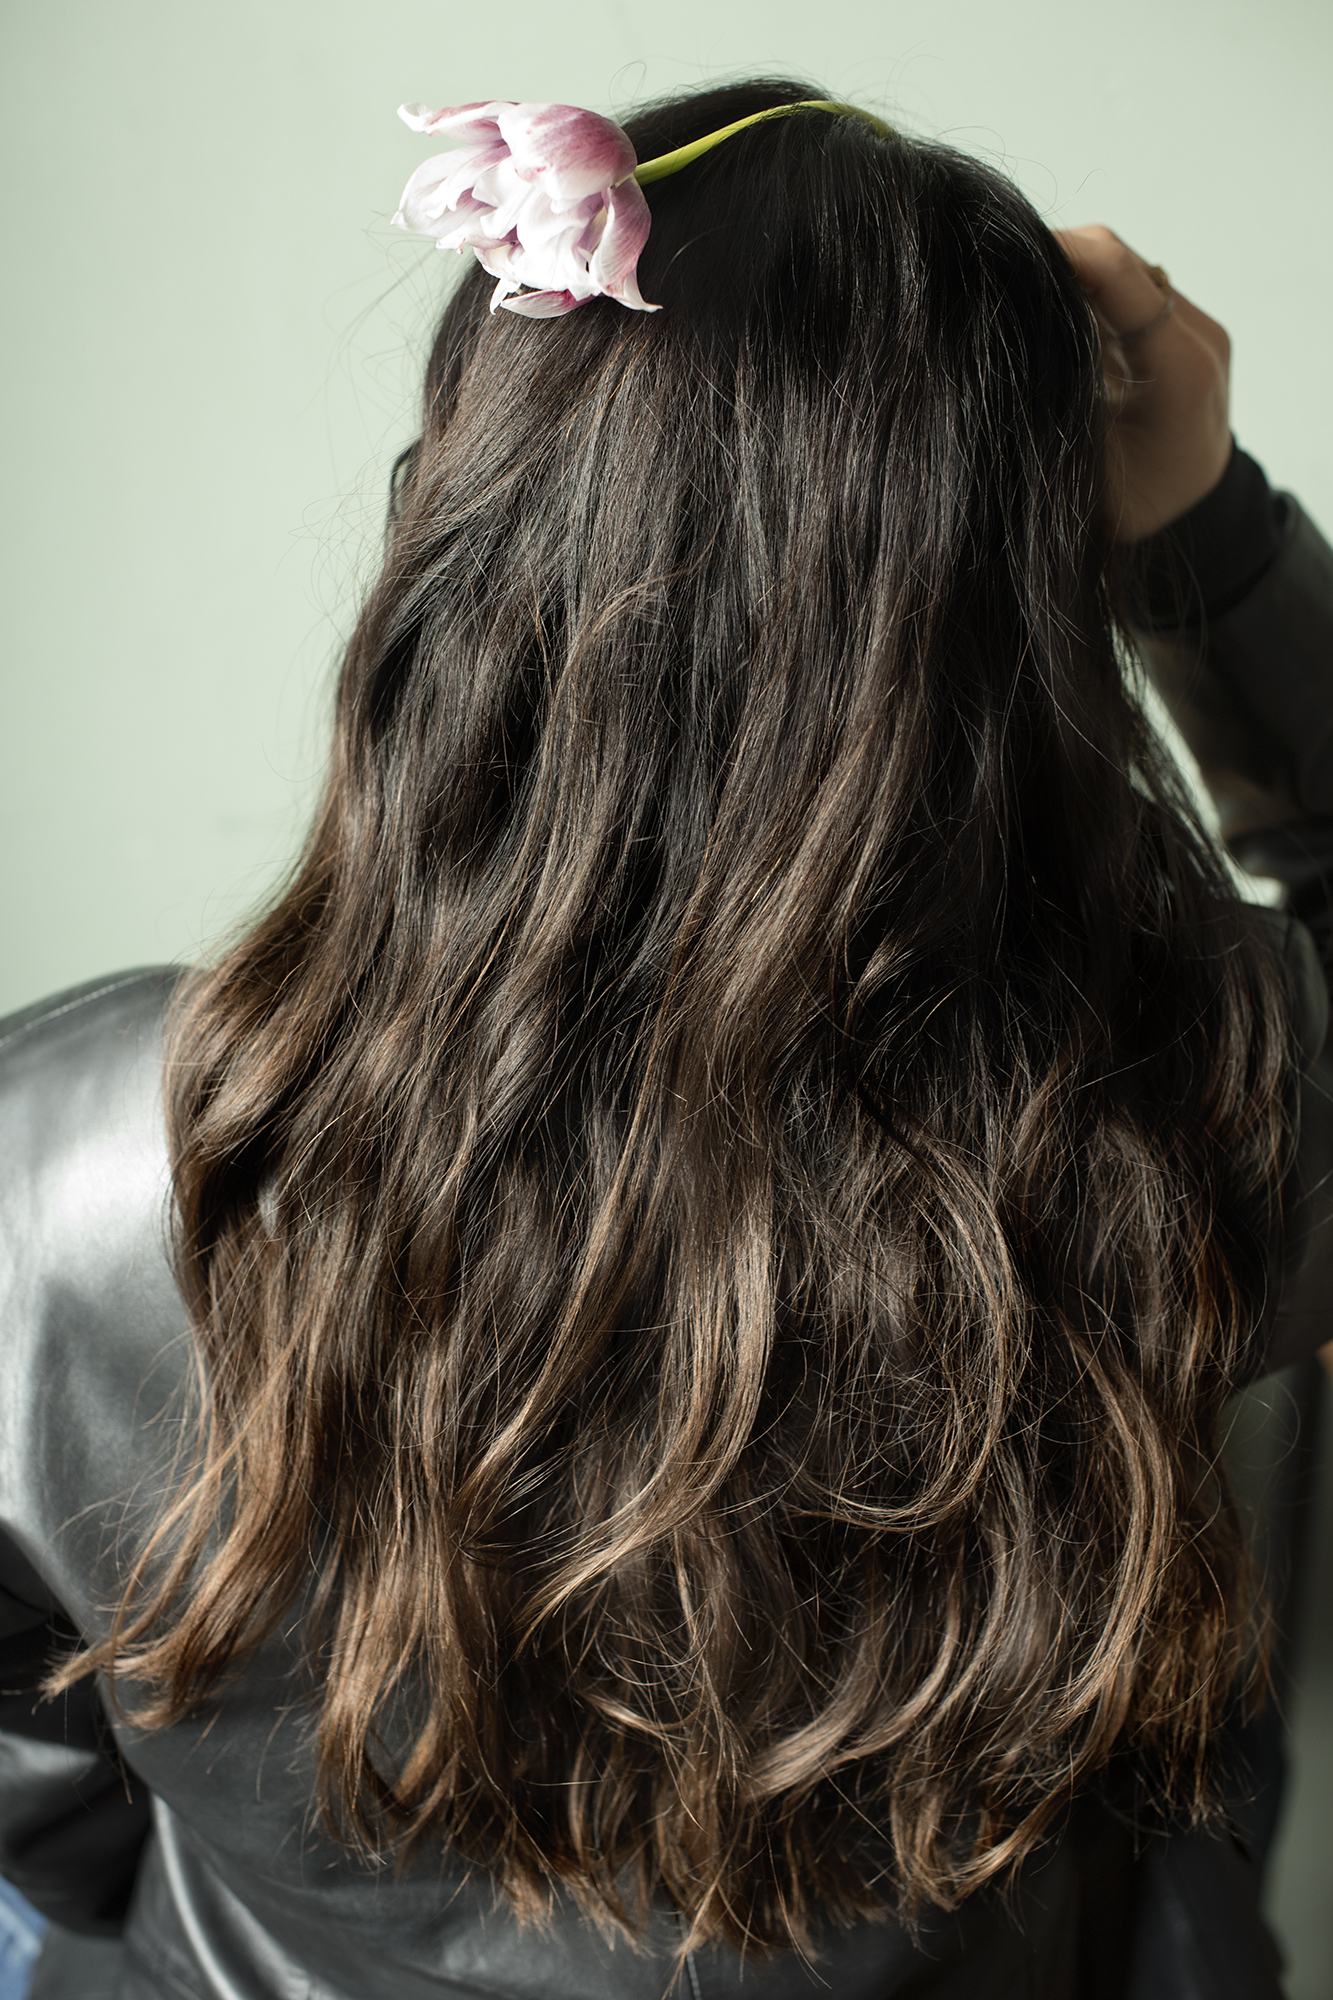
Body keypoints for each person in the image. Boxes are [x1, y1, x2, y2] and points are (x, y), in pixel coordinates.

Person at [1, 78, 1330, 2000]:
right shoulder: (1196, 1098)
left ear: (467, 519)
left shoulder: (66, 1154)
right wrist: (1211, 538)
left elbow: (39, 1795)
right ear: (1017, 605)